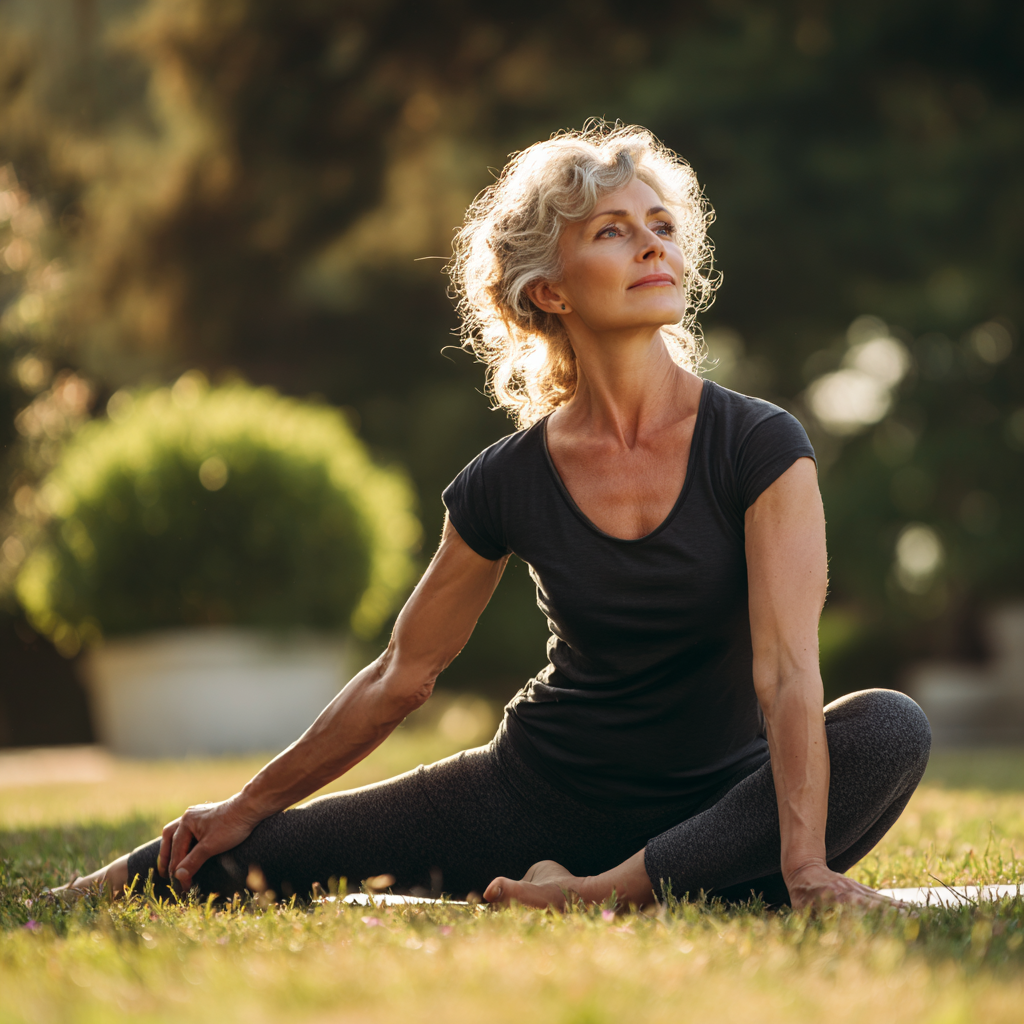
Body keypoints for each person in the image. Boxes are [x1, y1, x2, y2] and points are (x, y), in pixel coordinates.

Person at [61, 124, 930, 911]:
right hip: (532, 794)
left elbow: (786, 675)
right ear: (549, 292)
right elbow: (401, 675)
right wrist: (245, 807)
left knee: (889, 727)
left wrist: (809, 867)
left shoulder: (759, 444)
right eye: (612, 231)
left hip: (716, 803)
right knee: (246, 858)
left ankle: (605, 891)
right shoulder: (506, 481)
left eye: (661, 226)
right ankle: (73, 896)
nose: (652, 246)